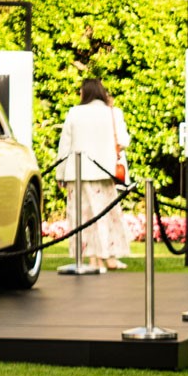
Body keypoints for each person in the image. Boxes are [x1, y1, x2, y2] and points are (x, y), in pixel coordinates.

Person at [55, 77, 132, 272]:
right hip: (104, 173)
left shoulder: (74, 113)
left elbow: (65, 145)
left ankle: (91, 260)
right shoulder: (113, 113)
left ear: (85, 92)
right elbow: (123, 141)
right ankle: (110, 258)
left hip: (77, 173)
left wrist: (60, 173)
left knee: (82, 219)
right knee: (106, 217)